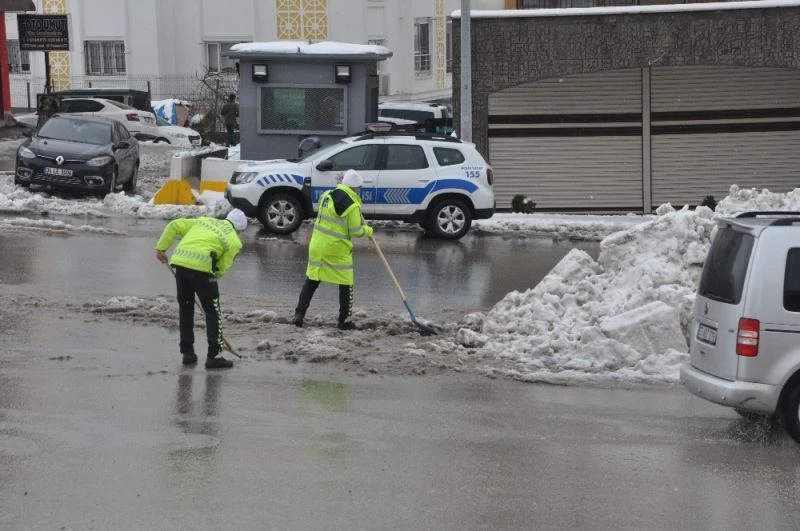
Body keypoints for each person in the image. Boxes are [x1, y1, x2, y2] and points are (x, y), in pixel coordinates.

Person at [155, 209, 248, 368]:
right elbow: (222, 267)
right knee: (213, 312)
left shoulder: (204, 220)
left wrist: (161, 249)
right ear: (239, 229)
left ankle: (188, 353)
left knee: (186, 309)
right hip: (203, 270)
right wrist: (211, 280)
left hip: (181, 265)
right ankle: (214, 356)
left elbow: (174, 225)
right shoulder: (234, 240)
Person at [292, 169, 373, 330]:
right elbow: (355, 231)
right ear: (355, 187)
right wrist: (368, 231)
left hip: (317, 245)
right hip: (336, 249)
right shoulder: (352, 205)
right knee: (346, 283)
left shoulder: (327, 196)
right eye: (359, 187)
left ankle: (298, 315)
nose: (359, 190)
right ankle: (344, 320)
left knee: (313, 280)